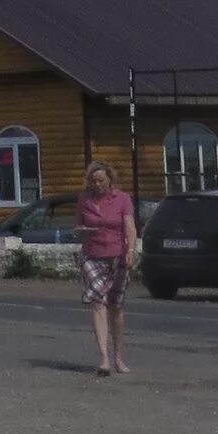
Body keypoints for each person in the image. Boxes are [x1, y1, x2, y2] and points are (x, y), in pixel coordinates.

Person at [75, 159, 138, 376]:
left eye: (101, 180)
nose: (97, 184)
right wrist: (83, 230)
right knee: (97, 302)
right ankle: (104, 358)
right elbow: (78, 225)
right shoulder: (83, 199)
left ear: (110, 180)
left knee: (115, 306)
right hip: (92, 255)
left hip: (118, 256)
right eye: (93, 181)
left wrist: (130, 250)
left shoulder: (122, 199)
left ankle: (119, 356)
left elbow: (130, 227)